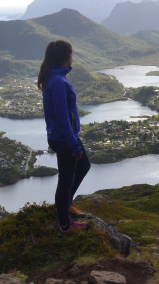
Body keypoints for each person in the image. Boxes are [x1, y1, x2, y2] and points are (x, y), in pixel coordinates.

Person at [37, 40, 90, 233]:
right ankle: (65, 224)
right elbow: (62, 117)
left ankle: (66, 205)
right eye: (72, 54)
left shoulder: (54, 77)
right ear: (67, 57)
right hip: (64, 137)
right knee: (66, 179)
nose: (72, 57)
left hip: (64, 135)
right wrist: (74, 145)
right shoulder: (58, 82)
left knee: (84, 165)